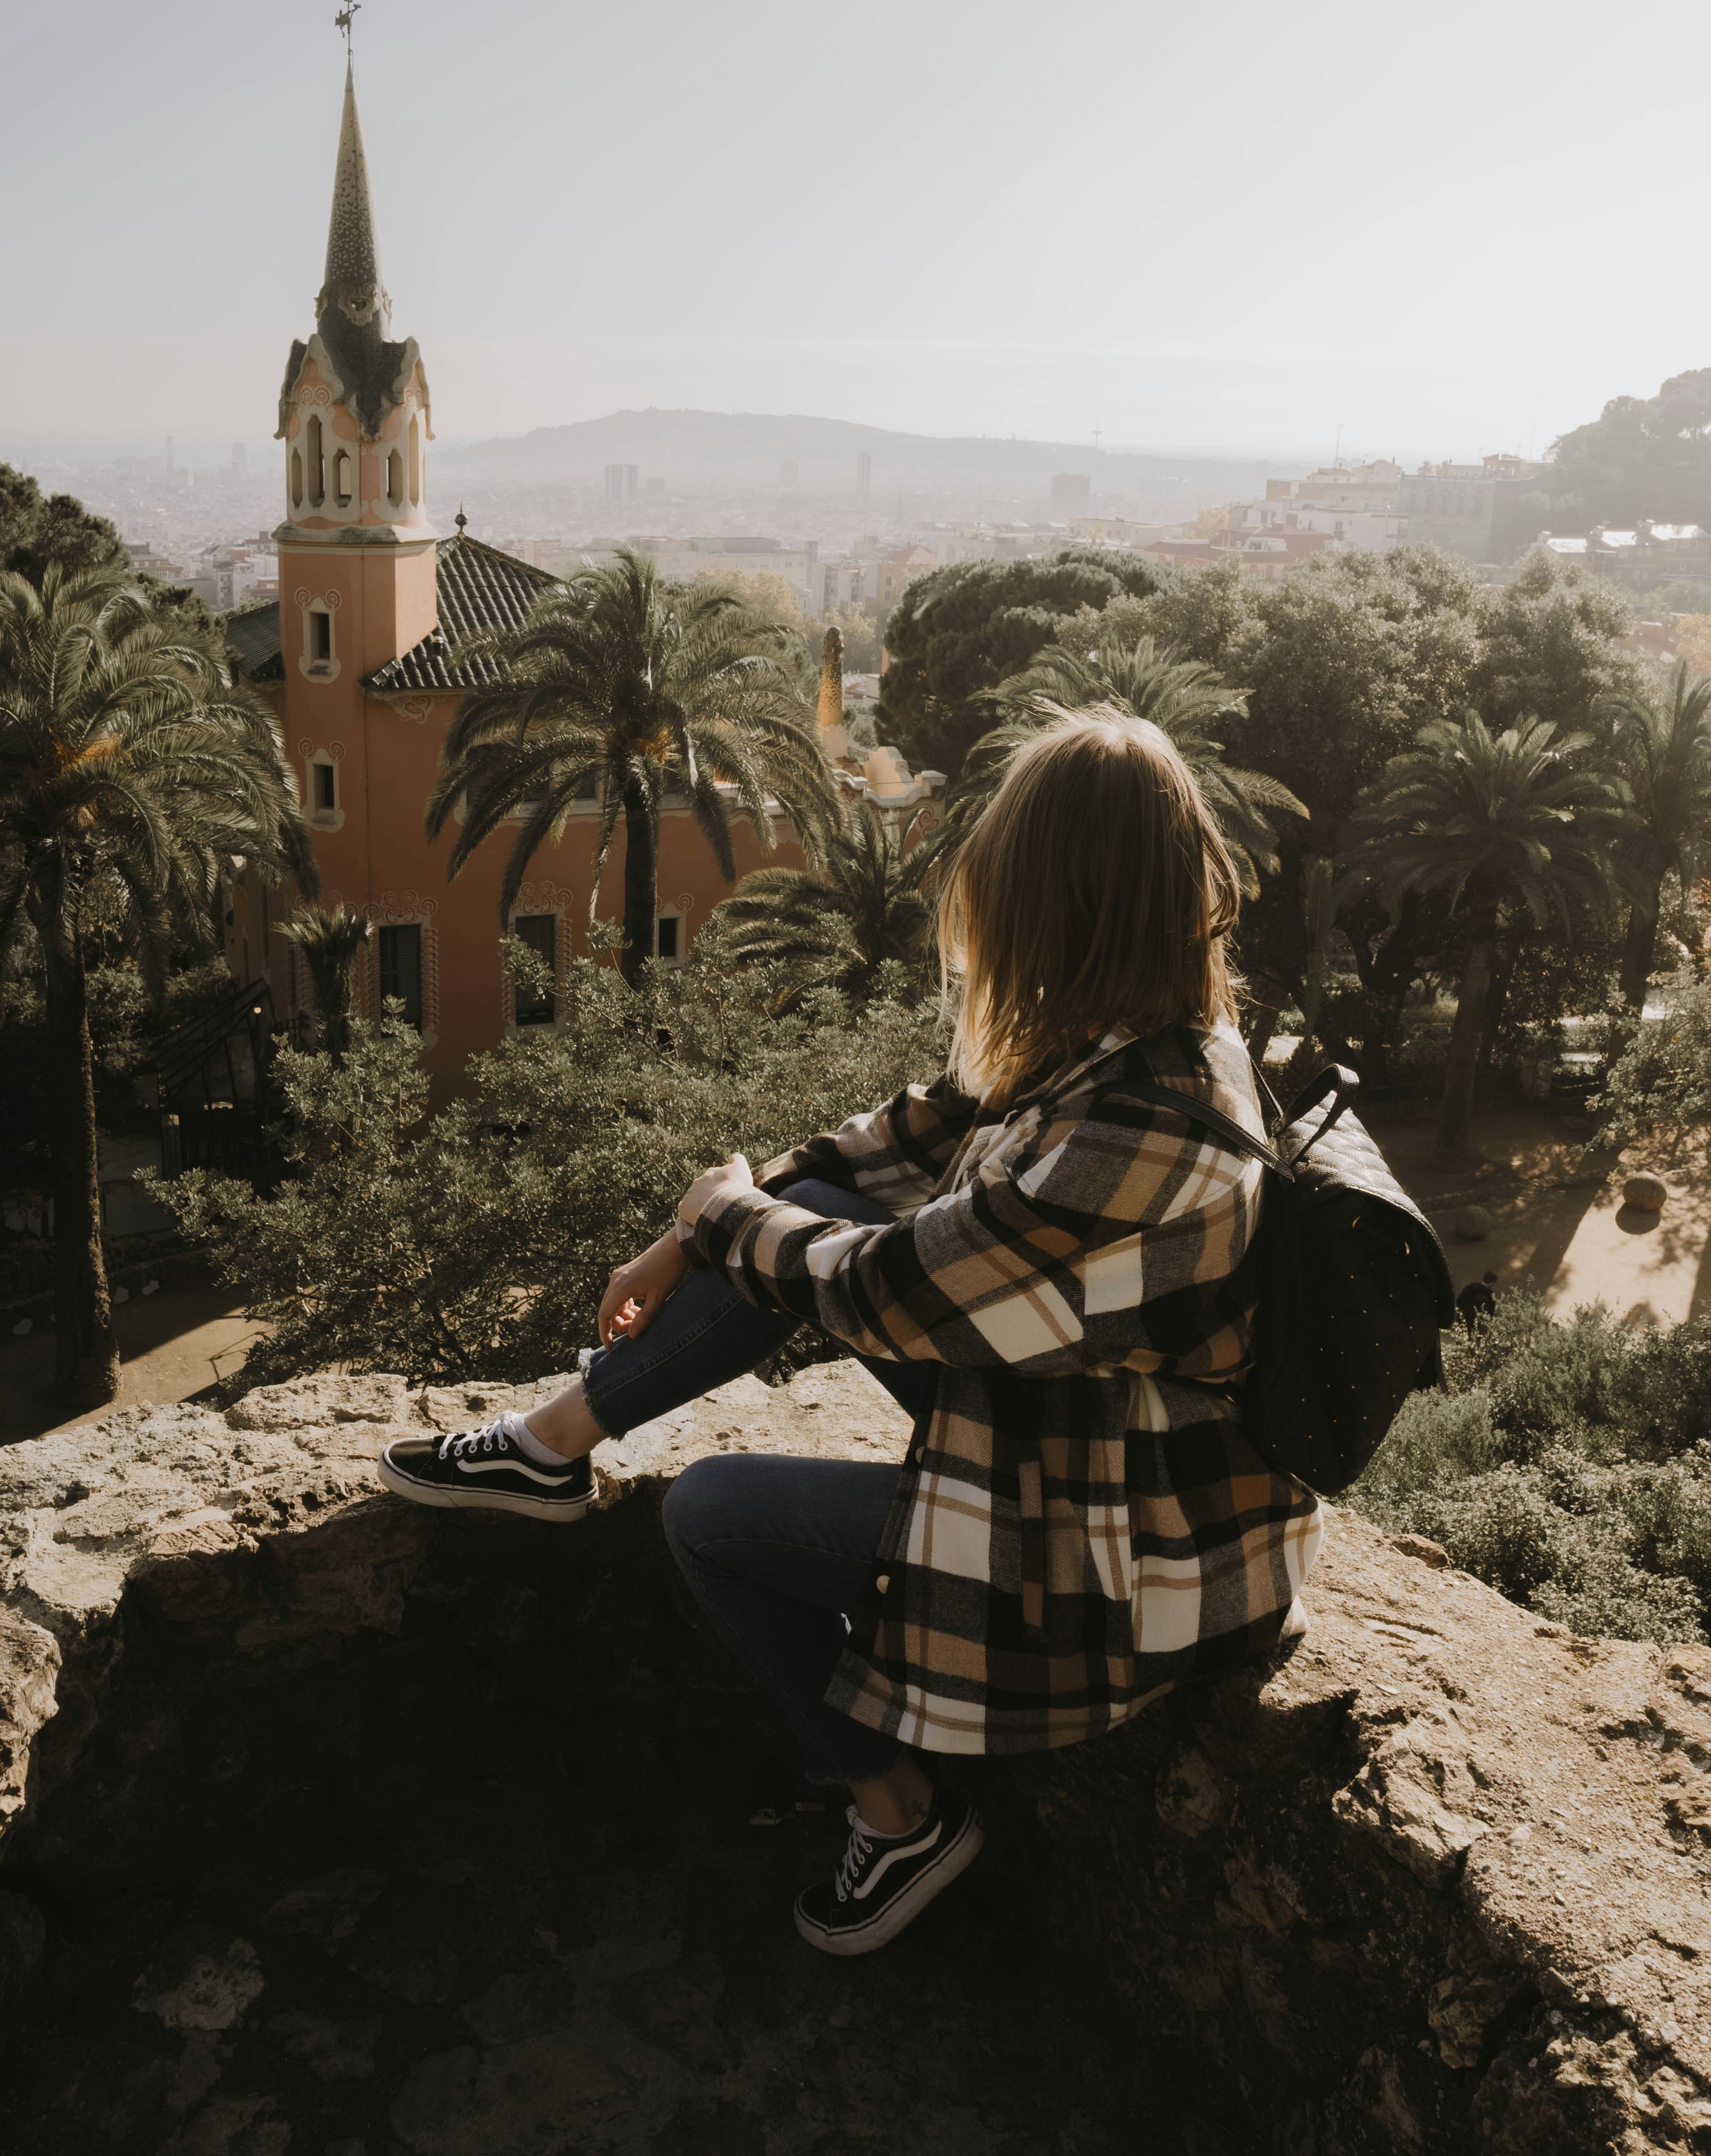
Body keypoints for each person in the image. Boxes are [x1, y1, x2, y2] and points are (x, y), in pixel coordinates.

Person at [378, 708, 1317, 1954]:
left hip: (1130, 1564)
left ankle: (901, 1810)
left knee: (710, 1514)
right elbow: (914, 1128)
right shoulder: (1125, 1039)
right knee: (807, 1205)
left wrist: (723, 1215)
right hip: (1082, 1438)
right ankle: (552, 1443)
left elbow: (894, 1296)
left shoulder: (1157, 1127)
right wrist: (697, 1223)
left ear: (1067, 903)